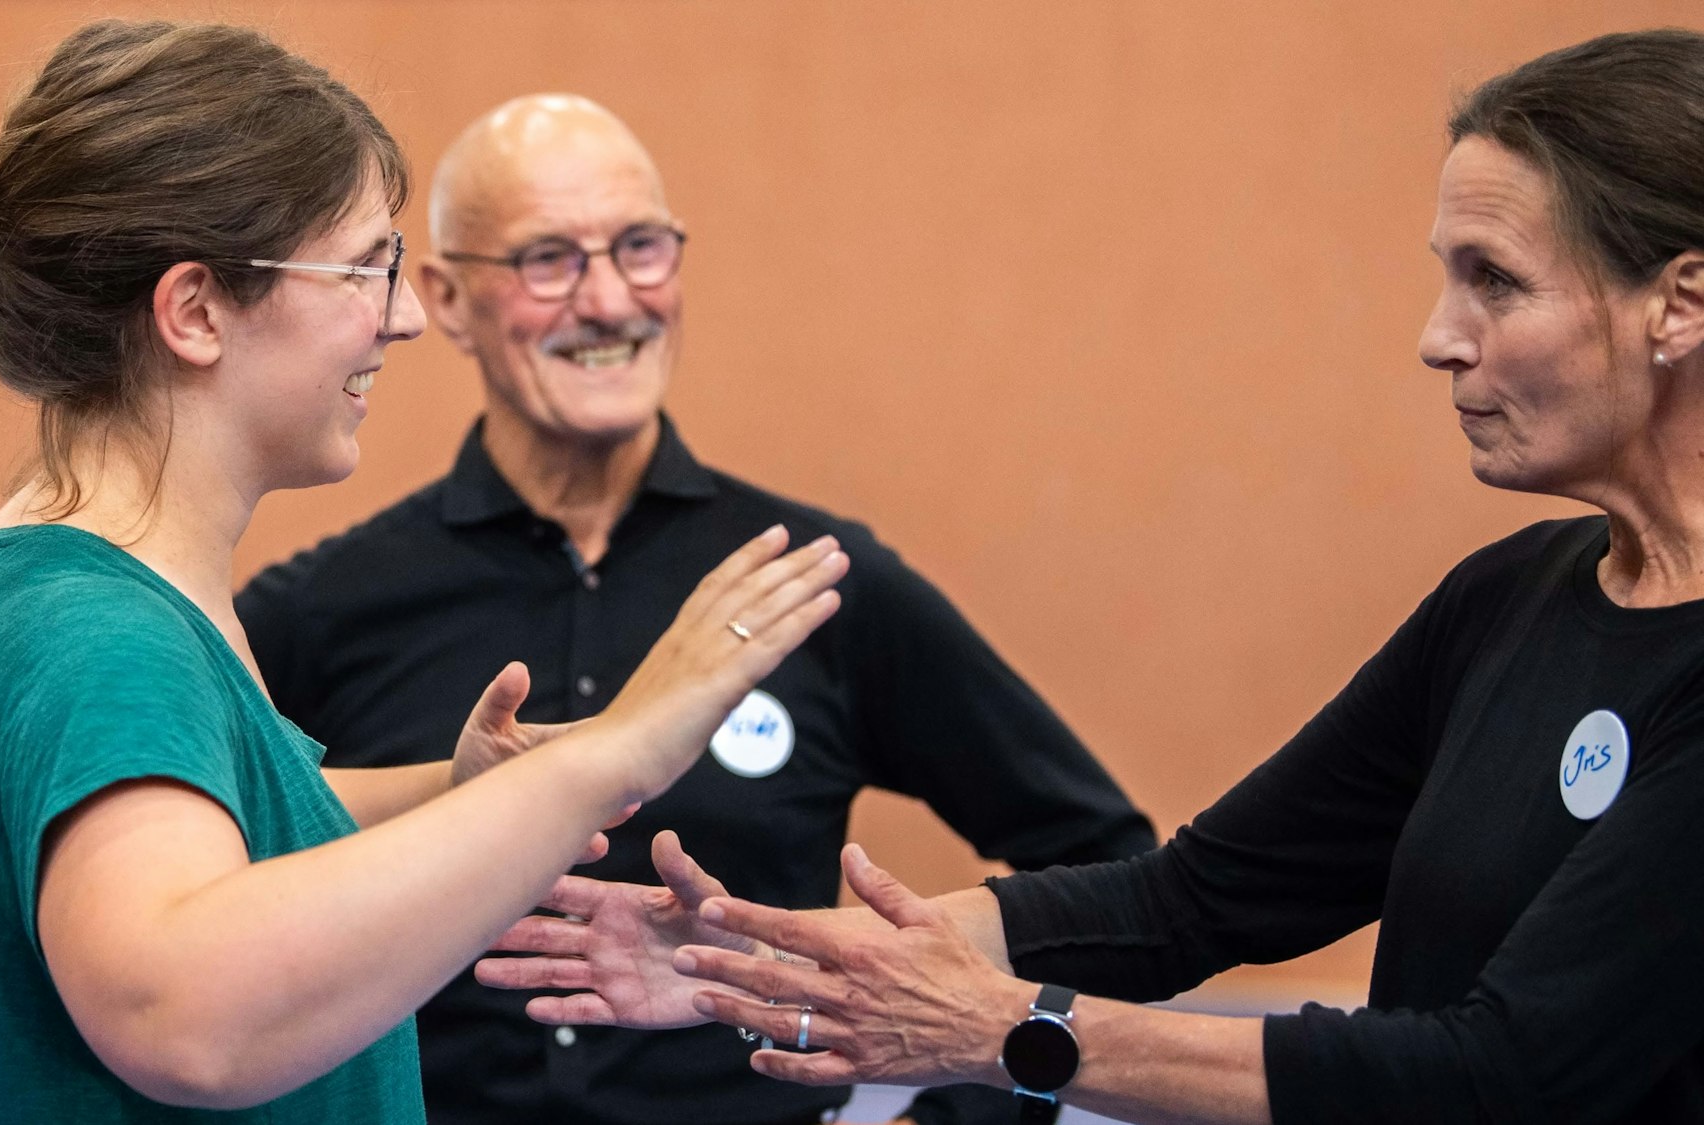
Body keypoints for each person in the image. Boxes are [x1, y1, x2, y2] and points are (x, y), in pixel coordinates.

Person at [479, 28, 1704, 1124]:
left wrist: (1012, 1034)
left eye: (1493, 279)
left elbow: (1508, 1076)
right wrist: (758, 957)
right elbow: (1187, 900)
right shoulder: (1503, 602)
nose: (1437, 336)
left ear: (1678, 304)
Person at [0, 20, 848, 1124]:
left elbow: (222, 830)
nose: (408, 317)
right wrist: (618, 748)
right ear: (194, 312)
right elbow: (182, 1013)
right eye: (365, 269)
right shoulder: (100, 636)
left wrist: (466, 792)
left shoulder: (35, 580)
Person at [234, 94, 1155, 1125]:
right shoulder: (322, 608)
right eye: (548, 259)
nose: (609, 301)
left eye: (639, 248)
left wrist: (958, 1113)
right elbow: (203, 908)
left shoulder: (806, 584)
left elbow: (1113, 872)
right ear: (444, 299)